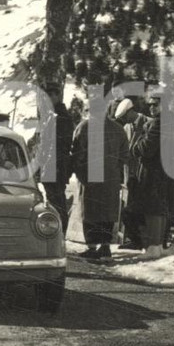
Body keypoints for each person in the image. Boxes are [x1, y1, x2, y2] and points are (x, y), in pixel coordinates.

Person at [71, 104, 127, 260]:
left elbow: (76, 153)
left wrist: (80, 172)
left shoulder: (84, 127)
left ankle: (91, 247)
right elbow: (124, 155)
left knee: (90, 212)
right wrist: (115, 169)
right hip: (111, 178)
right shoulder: (118, 129)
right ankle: (105, 247)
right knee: (107, 213)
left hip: (90, 178)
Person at [130, 92, 172, 249]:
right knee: (160, 208)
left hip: (153, 171)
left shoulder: (158, 123)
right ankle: (159, 244)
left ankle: (153, 245)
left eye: (156, 104)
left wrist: (136, 145)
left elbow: (146, 148)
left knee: (152, 208)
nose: (152, 108)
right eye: (150, 105)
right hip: (165, 170)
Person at [115, 98, 151, 250]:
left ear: (131, 111)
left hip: (146, 174)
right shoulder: (127, 128)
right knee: (129, 206)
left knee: (142, 208)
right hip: (131, 174)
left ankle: (144, 240)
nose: (125, 120)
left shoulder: (149, 123)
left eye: (125, 116)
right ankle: (133, 239)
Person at [39, 84, 74, 224]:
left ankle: (60, 231)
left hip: (55, 165)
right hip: (53, 165)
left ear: (57, 97)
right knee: (54, 199)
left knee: (56, 201)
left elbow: (58, 145)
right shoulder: (53, 116)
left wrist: (50, 165)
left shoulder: (60, 117)